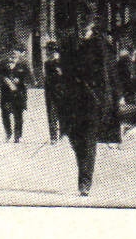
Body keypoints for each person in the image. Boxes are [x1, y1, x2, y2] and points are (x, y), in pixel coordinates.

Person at [58, 15, 118, 196]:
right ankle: (83, 172)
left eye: (85, 25)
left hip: (93, 100)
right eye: (80, 24)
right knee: (75, 138)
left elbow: (109, 73)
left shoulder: (100, 46)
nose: (82, 27)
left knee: (88, 139)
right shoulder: (70, 43)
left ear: (92, 26)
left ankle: (85, 181)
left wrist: (112, 97)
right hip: (72, 99)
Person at [0, 48, 32, 142]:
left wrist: (20, 81)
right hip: (6, 94)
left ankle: (18, 136)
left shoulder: (24, 65)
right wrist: (5, 80)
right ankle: (8, 133)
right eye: (11, 55)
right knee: (5, 113)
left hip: (19, 93)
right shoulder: (3, 65)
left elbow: (30, 78)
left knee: (18, 115)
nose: (12, 57)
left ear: (19, 56)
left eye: (15, 56)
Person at [42, 41, 65, 144]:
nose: (47, 52)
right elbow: (47, 78)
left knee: (62, 112)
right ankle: (54, 136)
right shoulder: (47, 63)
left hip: (61, 90)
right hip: (50, 91)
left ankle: (62, 134)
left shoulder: (62, 62)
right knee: (51, 114)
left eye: (48, 50)